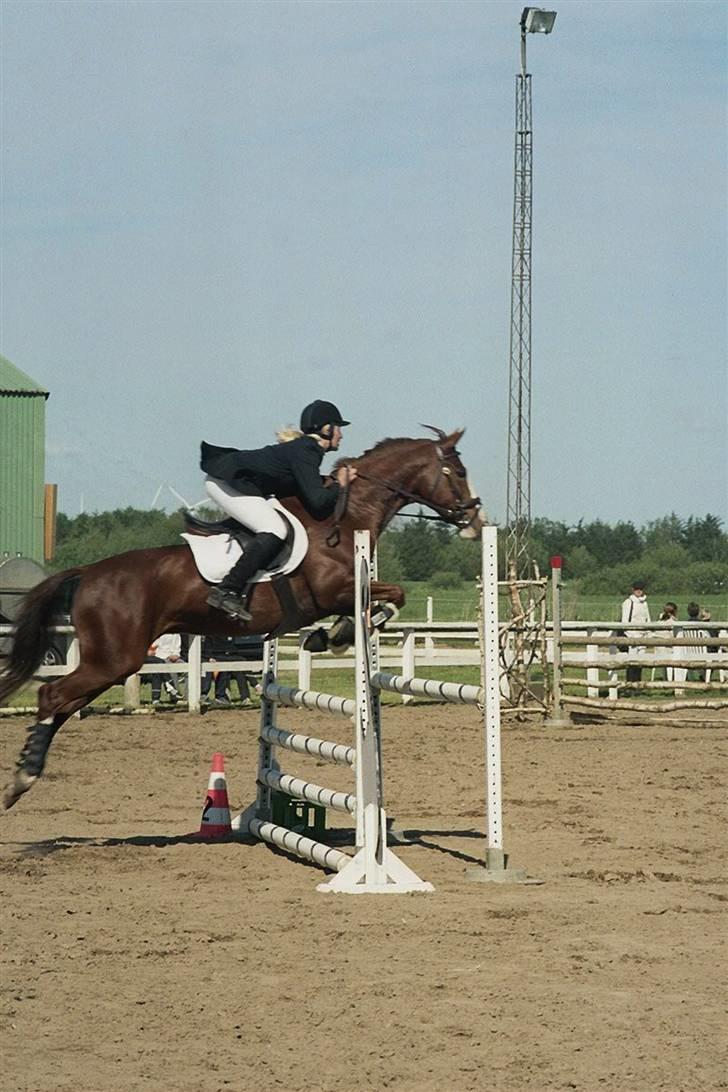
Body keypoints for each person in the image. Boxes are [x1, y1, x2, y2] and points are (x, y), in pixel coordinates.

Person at [199, 400, 356, 621]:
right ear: (326, 429)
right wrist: (341, 484)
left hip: (238, 482)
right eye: (338, 428)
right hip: (225, 481)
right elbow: (319, 502)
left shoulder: (305, 450)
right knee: (275, 529)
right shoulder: (306, 451)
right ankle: (227, 590)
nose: (341, 435)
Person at [620, 580, 650, 686]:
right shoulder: (629, 602)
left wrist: (647, 633)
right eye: (637, 589)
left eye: (640, 589)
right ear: (633, 590)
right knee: (632, 661)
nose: (639, 591)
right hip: (632, 635)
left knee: (640, 662)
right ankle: (630, 683)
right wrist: (629, 634)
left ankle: (638, 683)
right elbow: (625, 620)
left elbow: (647, 619)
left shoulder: (644, 603)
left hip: (642, 635)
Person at [145, 632, 183, 705]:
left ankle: (188, 696)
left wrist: (176, 655)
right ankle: (174, 694)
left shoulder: (176, 634)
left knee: (188, 670)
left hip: (173, 657)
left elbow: (177, 648)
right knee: (169, 669)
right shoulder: (159, 632)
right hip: (160, 657)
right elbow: (154, 647)